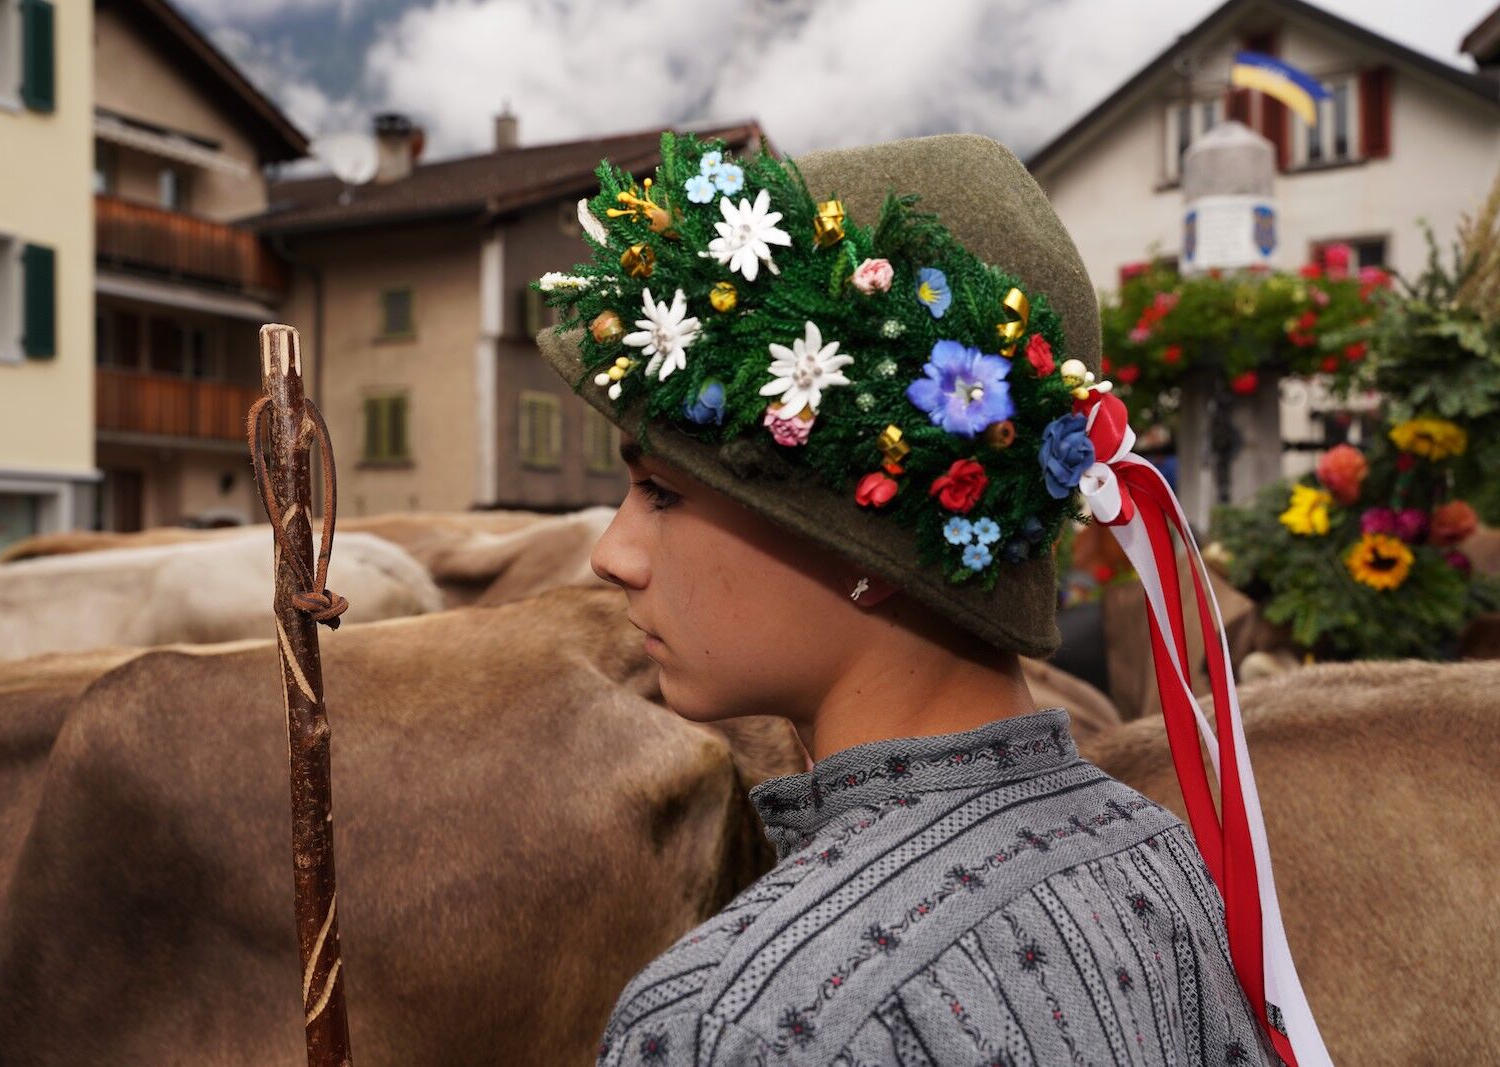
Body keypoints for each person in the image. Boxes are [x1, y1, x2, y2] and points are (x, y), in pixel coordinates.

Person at [534, 132, 1330, 1066]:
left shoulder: (730, 1021)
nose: (610, 554)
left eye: (663, 491)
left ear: (867, 539)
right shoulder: (1162, 859)